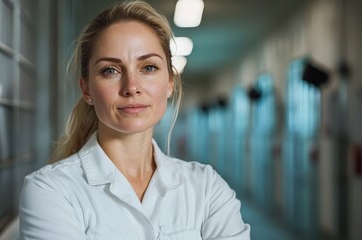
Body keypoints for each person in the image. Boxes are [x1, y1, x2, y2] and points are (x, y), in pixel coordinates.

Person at [19, 1, 250, 239]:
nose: (131, 87)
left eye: (148, 67)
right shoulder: (51, 190)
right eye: (110, 70)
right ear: (86, 89)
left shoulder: (207, 188)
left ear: (169, 83)